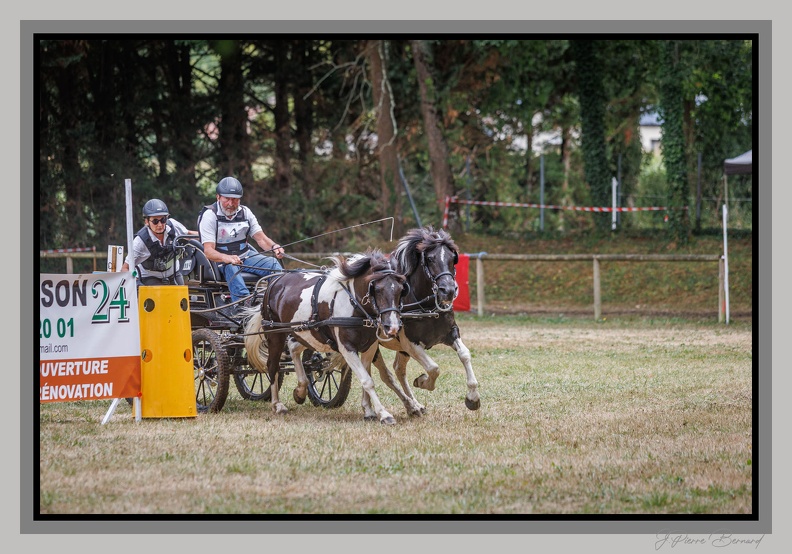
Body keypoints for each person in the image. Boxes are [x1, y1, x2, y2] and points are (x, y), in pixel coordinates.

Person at [198, 176, 285, 309]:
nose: (231, 203)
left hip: (245, 256)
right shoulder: (210, 216)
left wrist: (274, 246)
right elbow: (208, 250)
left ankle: (278, 300)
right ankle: (244, 305)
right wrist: (226, 258)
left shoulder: (245, 213)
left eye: (235, 199)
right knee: (231, 267)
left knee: (273, 264)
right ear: (218, 197)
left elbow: (261, 238)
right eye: (227, 198)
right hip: (222, 261)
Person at [121, 198, 198, 286]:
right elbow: (125, 268)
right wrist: (136, 282)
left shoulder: (173, 226)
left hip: (173, 273)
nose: (160, 225)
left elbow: (190, 234)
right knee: (159, 298)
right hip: (150, 277)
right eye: (155, 221)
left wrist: (209, 238)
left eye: (163, 220)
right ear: (147, 222)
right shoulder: (140, 242)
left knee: (182, 297)